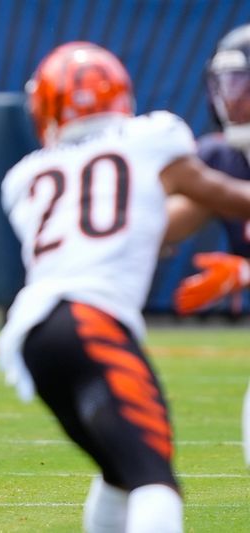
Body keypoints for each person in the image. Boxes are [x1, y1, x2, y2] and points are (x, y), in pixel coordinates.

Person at [0, 41, 250, 532]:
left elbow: (134, 226)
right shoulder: (152, 137)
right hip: (93, 320)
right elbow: (219, 195)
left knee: (120, 471)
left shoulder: (24, 176)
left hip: (31, 335)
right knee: (156, 483)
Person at [166, 23, 250, 467]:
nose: (232, 98)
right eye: (225, 84)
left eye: (243, 83)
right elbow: (166, 225)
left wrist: (243, 273)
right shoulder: (223, 156)